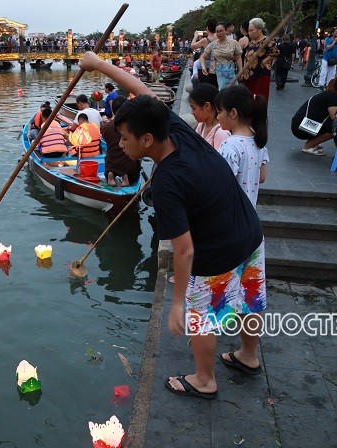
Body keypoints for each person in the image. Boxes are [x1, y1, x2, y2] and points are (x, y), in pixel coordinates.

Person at [78, 50, 266, 400]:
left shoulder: (166, 182)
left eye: (125, 138)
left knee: (204, 318)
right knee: (249, 300)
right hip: (250, 233)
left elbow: (184, 249)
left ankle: (205, 380)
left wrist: (178, 302)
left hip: (215, 255)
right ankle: (248, 356)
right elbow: (141, 91)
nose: (120, 143)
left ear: (146, 140)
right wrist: (98, 64)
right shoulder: (177, 128)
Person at [215, 85, 268, 208]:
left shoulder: (230, 146)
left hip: (232, 214)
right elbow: (262, 177)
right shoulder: (258, 140)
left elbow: (221, 186)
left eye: (219, 112)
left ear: (233, 113)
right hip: (250, 212)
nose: (217, 117)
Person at [291, 77, 337, 155]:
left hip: (299, 124)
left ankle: (312, 143)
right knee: (335, 127)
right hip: (302, 126)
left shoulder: (326, 94)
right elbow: (334, 117)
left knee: (330, 124)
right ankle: (308, 146)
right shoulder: (333, 95)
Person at [101, 96, 141, 187]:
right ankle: (125, 176)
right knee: (132, 163)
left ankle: (111, 174)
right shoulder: (132, 126)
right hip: (129, 163)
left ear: (112, 109)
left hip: (112, 163)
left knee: (108, 156)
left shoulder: (106, 127)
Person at [240, 17, 278, 101]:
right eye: (249, 30)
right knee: (248, 101)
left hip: (260, 76)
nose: (249, 33)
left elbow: (275, 52)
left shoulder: (266, 40)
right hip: (248, 77)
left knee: (258, 101)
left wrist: (265, 61)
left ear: (259, 29)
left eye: (251, 30)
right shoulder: (252, 42)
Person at [200, 22, 243, 90]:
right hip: (215, 74)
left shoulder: (234, 43)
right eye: (217, 32)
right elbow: (202, 56)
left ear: (226, 31)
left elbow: (238, 58)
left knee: (232, 92)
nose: (219, 33)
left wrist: (241, 70)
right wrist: (203, 67)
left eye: (221, 31)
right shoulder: (213, 44)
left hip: (230, 73)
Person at [188, 83, 230, 151]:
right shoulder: (201, 126)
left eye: (194, 108)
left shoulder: (221, 133)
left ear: (207, 106)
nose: (192, 113)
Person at [191, 18, 219, 87]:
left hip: (204, 67)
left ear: (207, 28)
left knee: (204, 89)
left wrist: (195, 36)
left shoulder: (205, 40)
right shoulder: (219, 39)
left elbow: (192, 46)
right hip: (216, 67)